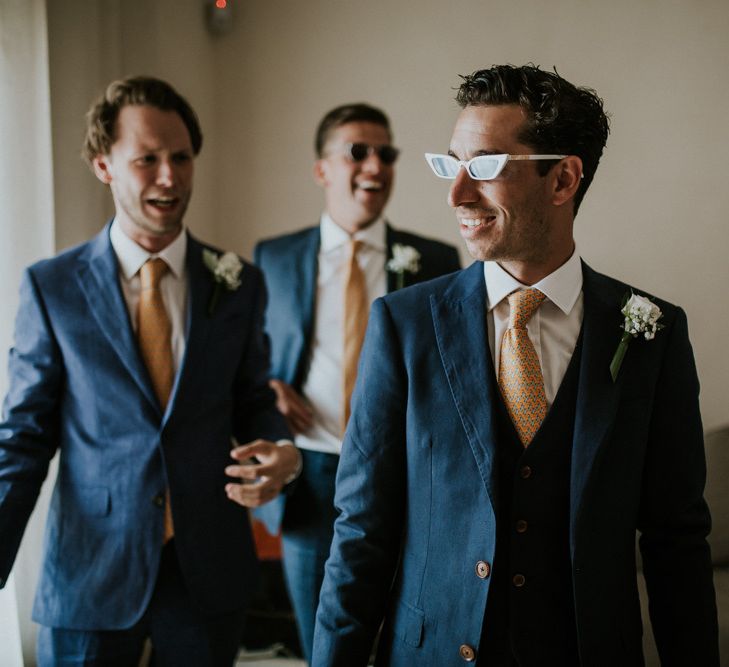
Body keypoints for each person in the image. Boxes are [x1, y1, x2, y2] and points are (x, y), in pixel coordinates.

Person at [311, 65, 719, 666]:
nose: (456, 193)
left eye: (485, 166)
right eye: (452, 164)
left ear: (562, 180)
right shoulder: (404, 324)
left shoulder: (652, 333)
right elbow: (362, 532)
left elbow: (676, 543)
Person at [0, 76, 301, 666]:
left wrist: (284, 451)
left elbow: (252, 400)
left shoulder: (238, 281)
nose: (170, 177)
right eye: (147, 159)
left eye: (181, 157)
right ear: (103, 164)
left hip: (207, 569)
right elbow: (24, 437)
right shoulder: (52, 287)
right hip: (91, 571)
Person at [253, 103, 461, 662]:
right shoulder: (273, 258)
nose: (375, 164)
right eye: (357, 151)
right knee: (317, 642)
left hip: (400, 476)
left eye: (386, 153)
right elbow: (250, 359)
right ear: (322, 169)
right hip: (310, 473)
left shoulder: (435, 261)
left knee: (401, 635)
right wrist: (269, 385)